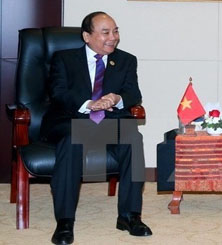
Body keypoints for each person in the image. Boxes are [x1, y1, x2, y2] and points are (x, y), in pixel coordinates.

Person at [40, 11, 152, 244]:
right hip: (72, 120)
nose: (113, 37)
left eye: (115, 31)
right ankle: (65, 222)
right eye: (105, 32)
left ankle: (130, 216)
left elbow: (134, 94)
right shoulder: (65, 59)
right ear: (87, 36)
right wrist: (88, 104)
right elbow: (58, 93)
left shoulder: (126, 60)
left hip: (108, 122)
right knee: (72, 139)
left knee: (133, 138)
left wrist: (116, 99)